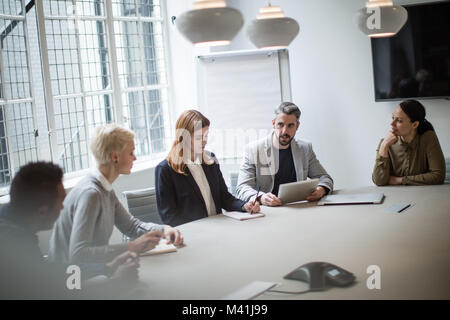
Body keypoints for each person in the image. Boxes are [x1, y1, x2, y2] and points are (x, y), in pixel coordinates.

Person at [0, 162, 139, 299]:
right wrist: (118, 283)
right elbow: (57, 292)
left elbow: (50, 274)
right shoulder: (14, 245)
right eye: (61, 201)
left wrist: (108, 267)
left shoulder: (11, 221)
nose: (63, 207)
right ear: (42, 211)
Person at [48, 124, 183, 264]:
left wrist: (164, 229)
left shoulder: (104, 188)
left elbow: (132, 226)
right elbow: (79, 254)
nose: (135, 158)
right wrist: (131, 247)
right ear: (114, 157)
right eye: (131, 153)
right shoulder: (91, 194)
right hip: (69, 281)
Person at [155, 110, 260, 227]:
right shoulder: (165, 170)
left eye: (206, 135)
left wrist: (244, 206)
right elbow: (169, 217)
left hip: (219, 227)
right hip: (193, 235)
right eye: (199, 137)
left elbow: (225, 198)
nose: (205, 141)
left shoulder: (210, 160)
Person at [236, 102, 333, 206]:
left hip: (299, 207)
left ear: (297, 126)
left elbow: (325, 178)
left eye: (290, 125)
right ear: (273, 123)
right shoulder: (253, 150)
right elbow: (242, 188)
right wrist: (261, 197)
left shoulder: (305, 148)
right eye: (280, 124)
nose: (284, 131)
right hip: (267, 212)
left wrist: (321, 189)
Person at [372, 99, 445, 186]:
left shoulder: (428, 138)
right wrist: (384, 147)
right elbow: (379, 181)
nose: (392, 123)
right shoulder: (386, 143)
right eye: (393, 118)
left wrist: (400, 180)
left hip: (424, 194)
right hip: (395, 196)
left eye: (399, 120)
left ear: (415, 124)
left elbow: (438, 176)